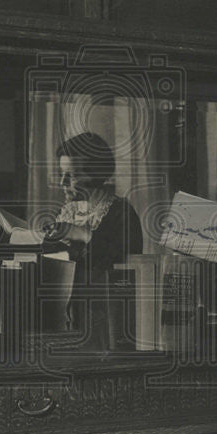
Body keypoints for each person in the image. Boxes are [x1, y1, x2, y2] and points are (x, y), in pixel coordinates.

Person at [41, 132, 142, 345]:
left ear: (95, 174)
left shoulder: (121, 213)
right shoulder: (67, 212)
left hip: (108, 322)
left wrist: (83, 234)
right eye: (62, 174)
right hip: (68, 318)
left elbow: (123, 274)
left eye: (72, 175)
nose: (62, 182)